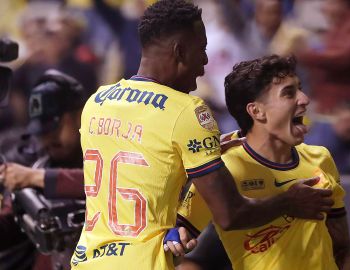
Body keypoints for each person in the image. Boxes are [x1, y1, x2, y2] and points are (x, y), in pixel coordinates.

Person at [71, 1, 334, 269]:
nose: (206, 62)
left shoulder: (96, 102)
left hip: (88, 261)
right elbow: (230, 215)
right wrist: (289, 201)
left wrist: (210, 147)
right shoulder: (188, 111)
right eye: (202, 50)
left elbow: (146, 159)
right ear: (180, 51)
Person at [178, 55, 350, 270]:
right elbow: (177, 239)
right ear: (256, 111)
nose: (304, 99)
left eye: (299, 88)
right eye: (289, 93)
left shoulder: (321, 158)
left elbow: (343, 248)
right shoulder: (223, 170)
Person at [0, 69, 89, 270]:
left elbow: (102, 183)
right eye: (42, 131)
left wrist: (38, 178)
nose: (48, 139)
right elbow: (10, 225)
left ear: (80, 114)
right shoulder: (35, 164)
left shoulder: (104, 153)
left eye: (55, 127)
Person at [296, 0, 350, 114]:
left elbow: (342, 58)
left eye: (328, 3)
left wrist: (303, 55)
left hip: (348, 105)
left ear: (342, 3)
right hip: (326, 101)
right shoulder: (338, 26)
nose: (323, 9)